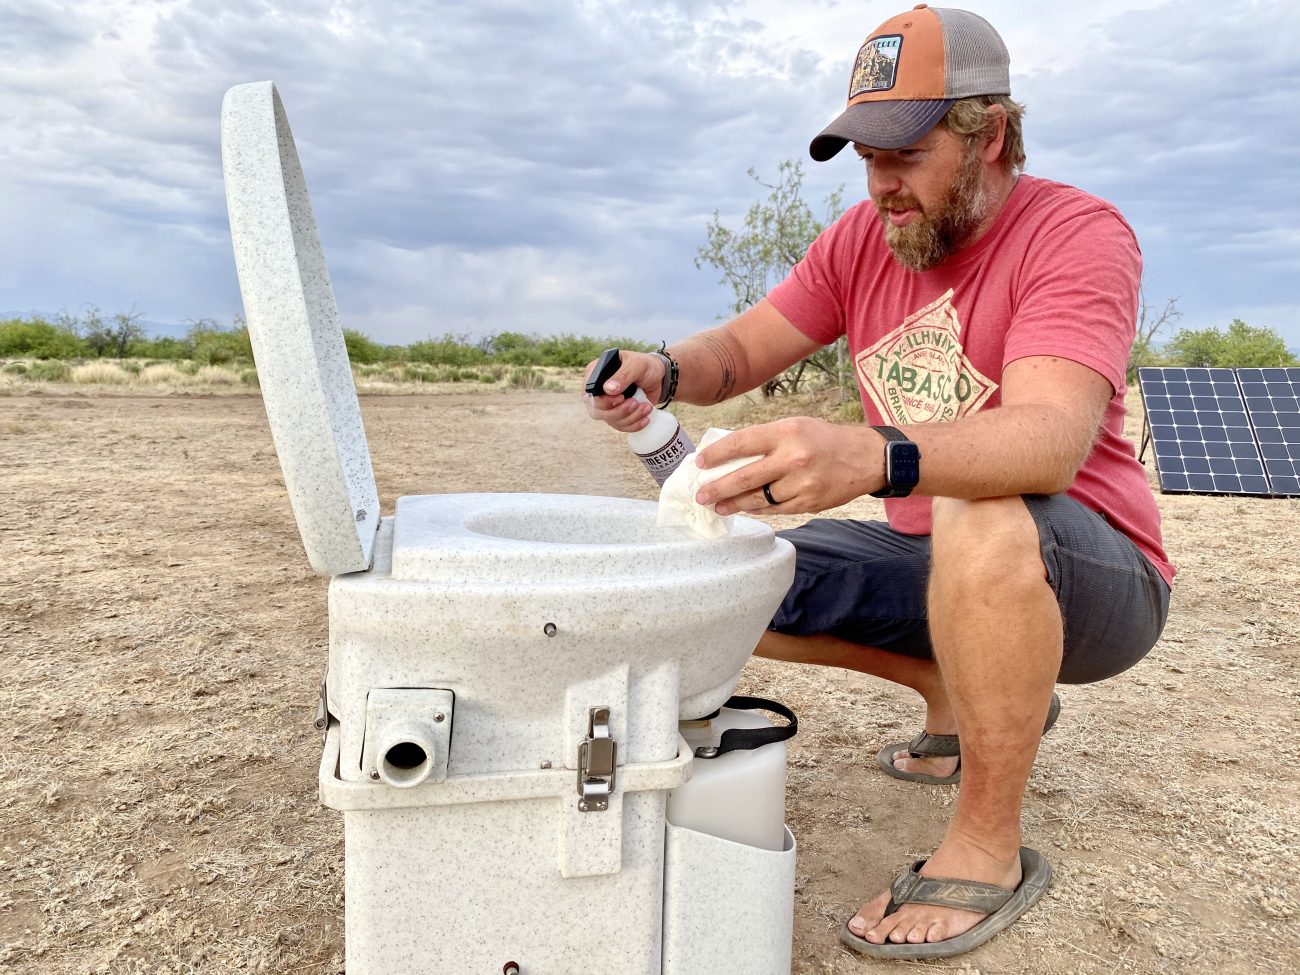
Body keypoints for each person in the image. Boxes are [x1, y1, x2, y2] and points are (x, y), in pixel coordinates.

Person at [585, 3, 1173, 961]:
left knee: (980, 510)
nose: (881, 183)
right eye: (865, 155)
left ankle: (985, 846)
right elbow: (741, 348)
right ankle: (955, 682)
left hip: (1090, 573)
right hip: (932, 558)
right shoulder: (862, 239)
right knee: (725, 579)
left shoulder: (1076, 234)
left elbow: (1047, 443)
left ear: (993, 136)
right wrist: (666, 369)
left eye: (905, 152)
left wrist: (872, 451)